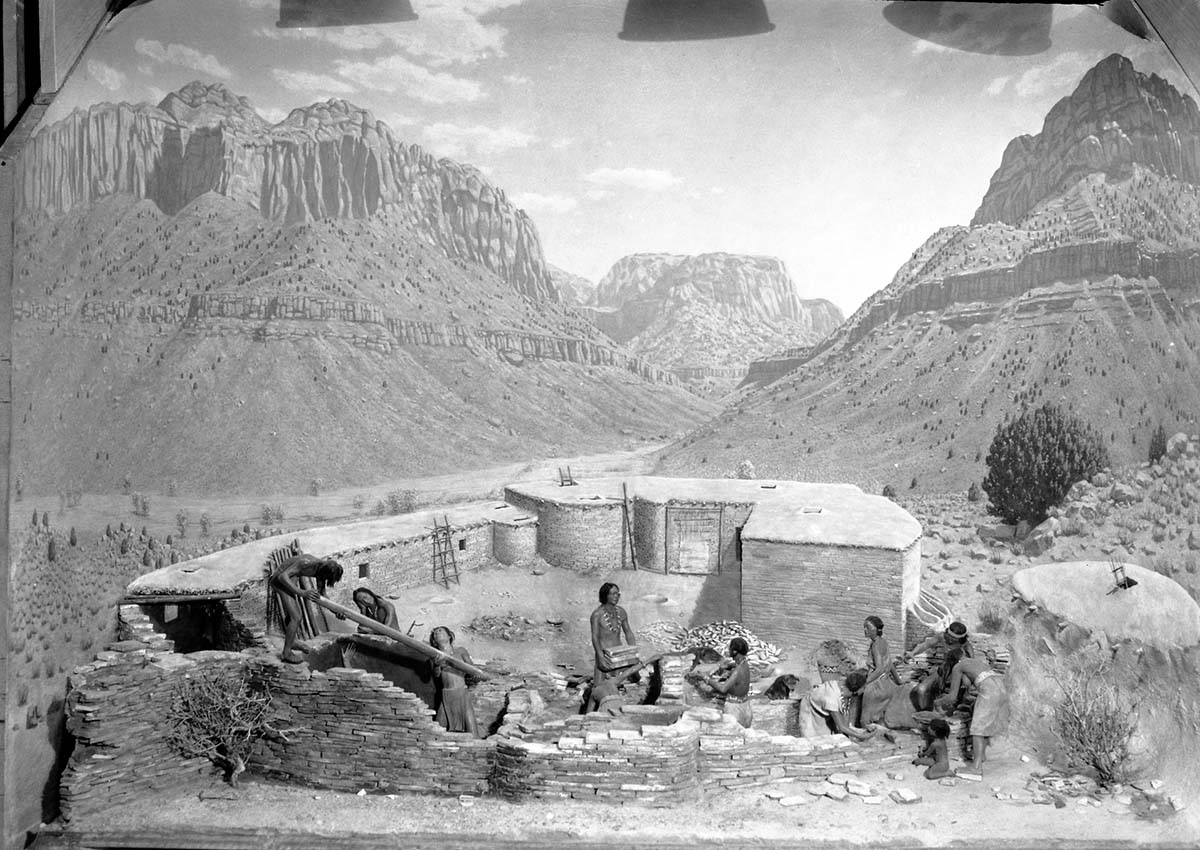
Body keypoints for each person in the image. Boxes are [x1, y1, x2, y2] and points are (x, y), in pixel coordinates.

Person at [936, 655, 1009, 775]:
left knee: (977, 729)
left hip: (989, 690)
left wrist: (937, 703)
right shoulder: (975, 662)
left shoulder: (958, 666)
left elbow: (952, 697)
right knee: (985, 725)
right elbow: (969, 686)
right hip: (1001, 688)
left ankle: (976, 768)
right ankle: (981, 756)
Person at [269, 552, 343, 663]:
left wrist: (335, 611)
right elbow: (282, 577)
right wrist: (302, 592)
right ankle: (286, 653)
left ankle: (292, 641)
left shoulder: (322, 571)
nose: (323, 580)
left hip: (291, 579)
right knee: (296, 617)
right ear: (323, 571)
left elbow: (322, 594)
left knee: (293, 614)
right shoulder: (307, 562)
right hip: (279, 581)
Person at [800, 668, 896, 743]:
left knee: (831, 736)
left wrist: (858, 731)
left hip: (824, 706)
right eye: (864, 688)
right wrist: (862, 736)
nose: (864, 690)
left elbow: (845, 720)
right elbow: (841, 726)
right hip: (809, 708)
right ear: (857, 689)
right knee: (814, 740)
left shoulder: (847, 692)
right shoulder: (832, 699)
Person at [904, 621, 974, 710]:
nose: (950, 640)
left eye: (954, 639)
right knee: (921, 689)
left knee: (951, 700)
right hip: (942, 670)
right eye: (949, 636)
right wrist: (912, 653)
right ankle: (925, 712)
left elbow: (971, 664)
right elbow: (926, 644)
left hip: (957, 674)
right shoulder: (941, 637)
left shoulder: (966, 646)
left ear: (960, 639)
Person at [430, 626, 480, 736]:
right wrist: (437, 665)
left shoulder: (460, 651)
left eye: (440, 631)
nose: (437, 633)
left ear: (449, 636)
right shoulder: (434, 654)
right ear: (434, 641)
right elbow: (436, 675)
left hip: (461, 693)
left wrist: (472, 673)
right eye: (435, 633)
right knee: (436, 732)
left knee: (473, 732)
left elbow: (472, 669)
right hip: (447, 695)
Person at [590, 582, 638, 683]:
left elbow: (628, 632)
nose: (616, 596)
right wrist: (600, 656)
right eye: (613, 594)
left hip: (619, 654)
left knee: (632, 682)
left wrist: (633, 652)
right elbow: (595, 637)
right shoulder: (597, 615)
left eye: (618, 594)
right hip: (605, 656)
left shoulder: (621, 612)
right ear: (605, 595)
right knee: (599, 687)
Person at [702, 637, 753, 728]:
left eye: (730, 648)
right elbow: (735, 667)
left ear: (734, 652)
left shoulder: (737, 671)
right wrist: (726, 667)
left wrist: (706, 679)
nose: (728, 650)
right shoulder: (744, 664)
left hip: (735, 708)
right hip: (745, 705)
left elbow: (723, 688)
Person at [860, 615, 901, 725]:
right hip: (887, 685)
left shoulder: (876, 645)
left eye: (868, 627)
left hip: (876, 687)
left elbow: (879, 669)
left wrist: (863, 683)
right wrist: (898, 682)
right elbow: (890, 664)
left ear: (877, 629)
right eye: (864, 627)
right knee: (879, 721)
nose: (865, 630)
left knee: (865, 722)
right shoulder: (883, 642)